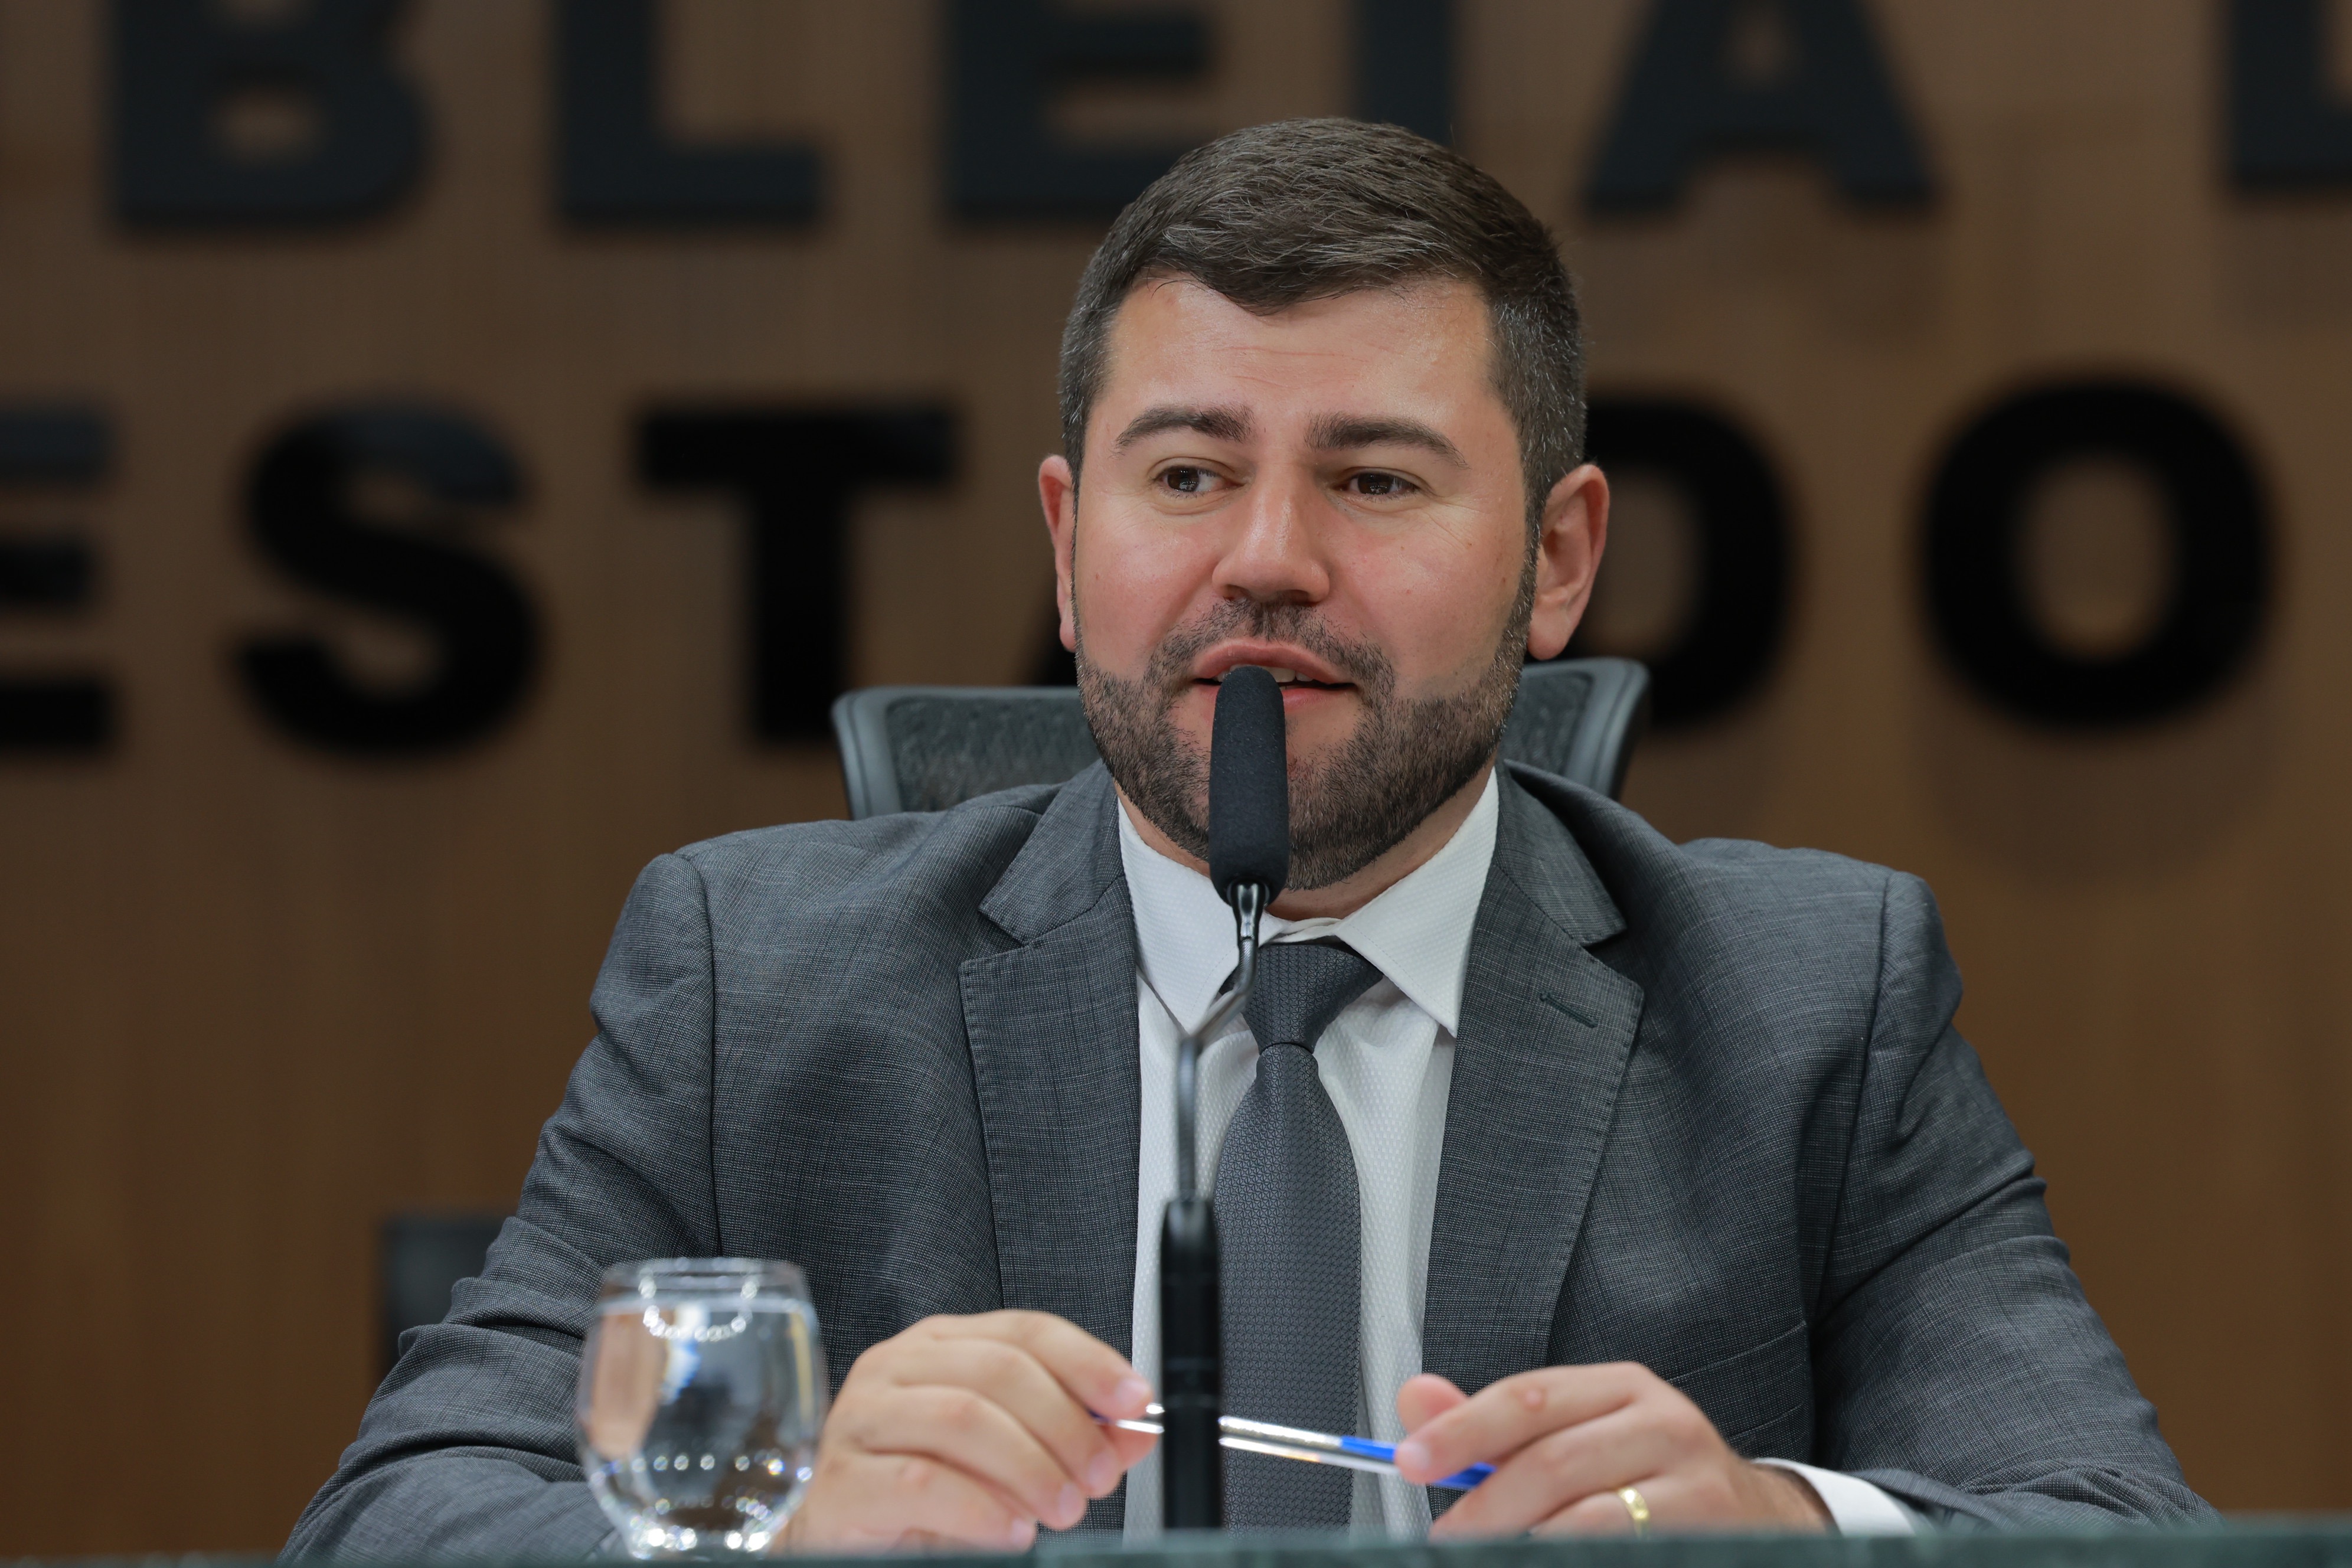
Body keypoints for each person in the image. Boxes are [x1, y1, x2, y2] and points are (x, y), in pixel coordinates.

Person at [286, 119, 2209, 1559]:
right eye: (1191, 473)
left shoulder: (1810, 1006)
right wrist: (768, 1538)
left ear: (1558, 561)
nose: (1267, 560)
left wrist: (1781, 1531)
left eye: (1375, 479)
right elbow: (399, 1517)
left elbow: (2120, 1528)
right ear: (1068, 549)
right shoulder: (753, 982)